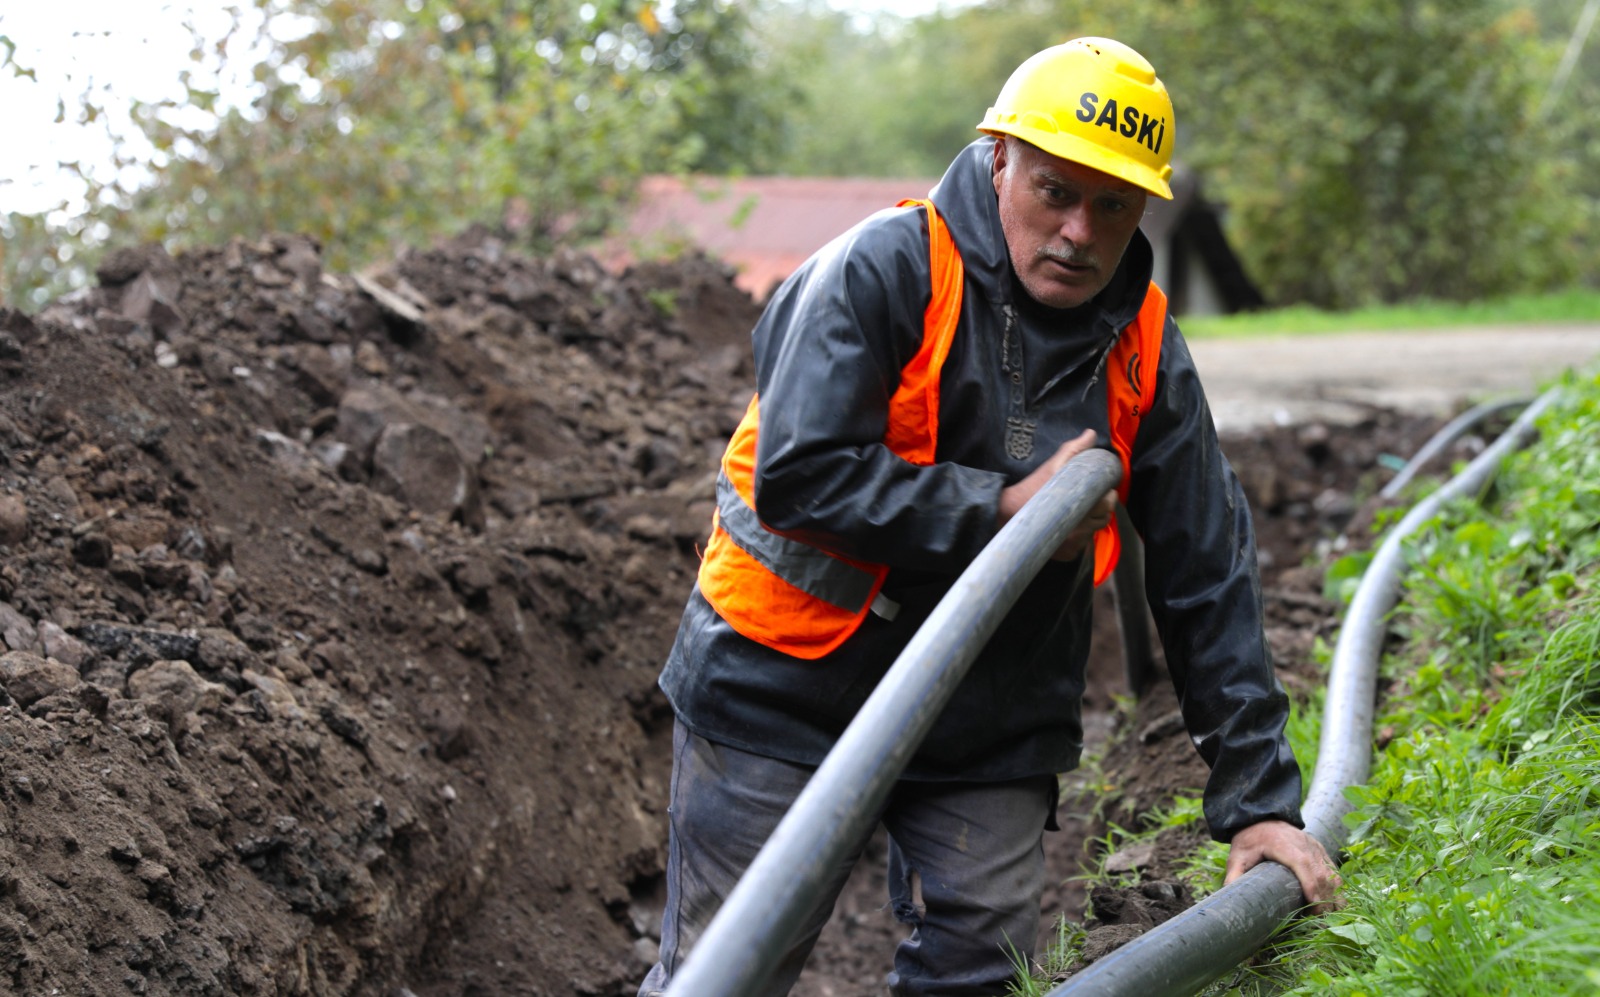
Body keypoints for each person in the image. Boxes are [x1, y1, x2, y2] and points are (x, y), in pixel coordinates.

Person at [638, 36, 1340, 997]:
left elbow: (1205, 565)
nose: (1081, 232)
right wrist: (1000, 510)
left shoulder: (1141, 345)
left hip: (989, 710)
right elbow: (799, 476)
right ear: (1000, 158)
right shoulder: (883, 269)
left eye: (1113, 204)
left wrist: (1258, 802)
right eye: (1056, 191)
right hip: (780, 681)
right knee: (726, 973)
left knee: (980, 967)